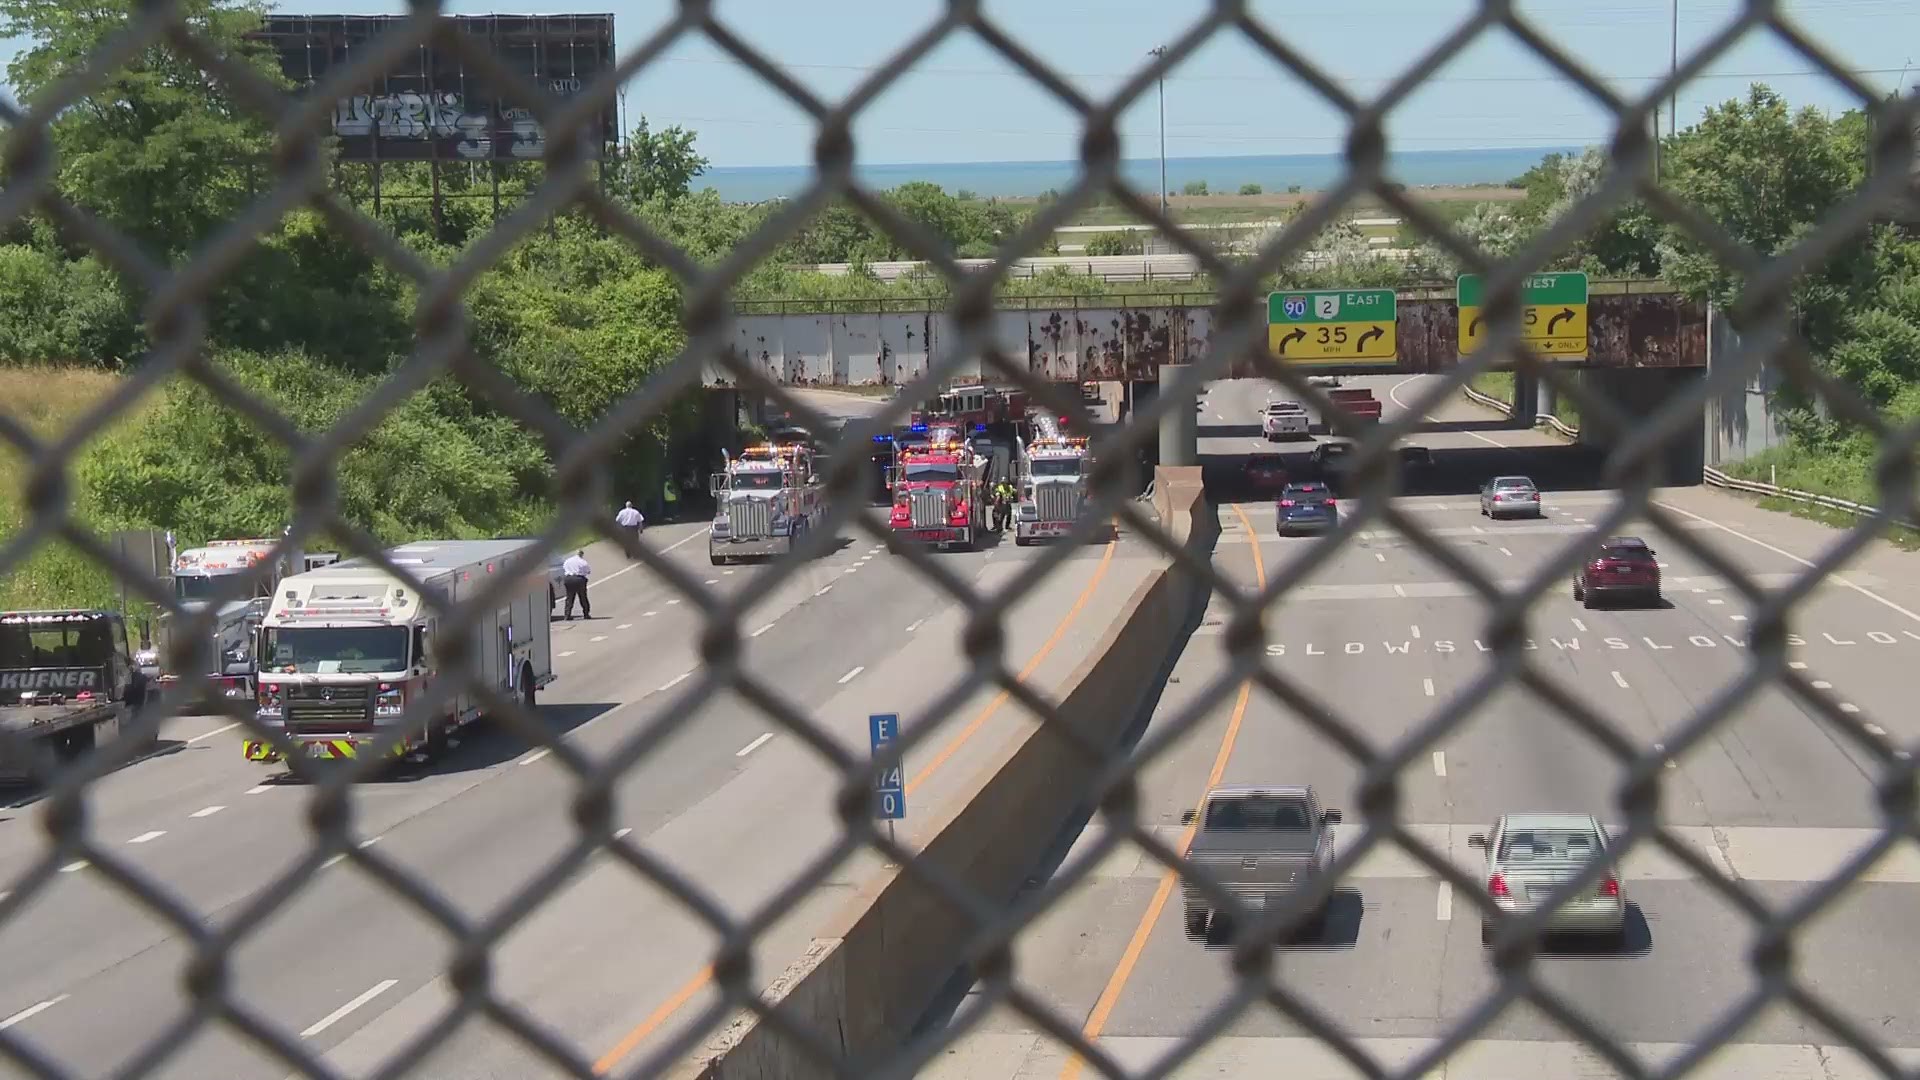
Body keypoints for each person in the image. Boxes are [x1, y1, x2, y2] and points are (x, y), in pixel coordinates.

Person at [560, 549, 592, 620]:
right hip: (579, 579)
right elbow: (588, 571)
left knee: (569, 597)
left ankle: (567, 615)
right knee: (583, 597)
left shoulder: (568, 561)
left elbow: (564, 569)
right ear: (581, 554)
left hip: (569, 579)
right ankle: (586, 614)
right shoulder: (583, 562)